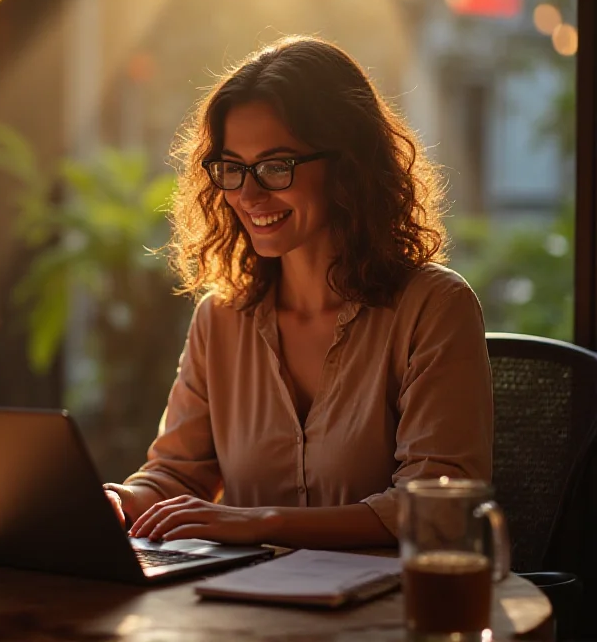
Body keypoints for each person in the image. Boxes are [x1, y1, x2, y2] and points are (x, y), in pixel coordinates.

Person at [104, 36, 492, 550]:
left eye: (275, 165)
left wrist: (261, 524)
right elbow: (176, 475)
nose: (247, 193)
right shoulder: (220, 318)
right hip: (247, 616)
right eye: (232, 167)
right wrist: (120, 501)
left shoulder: (434, 307)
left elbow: (434, 509)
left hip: (391, 616)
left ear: (348, 164)